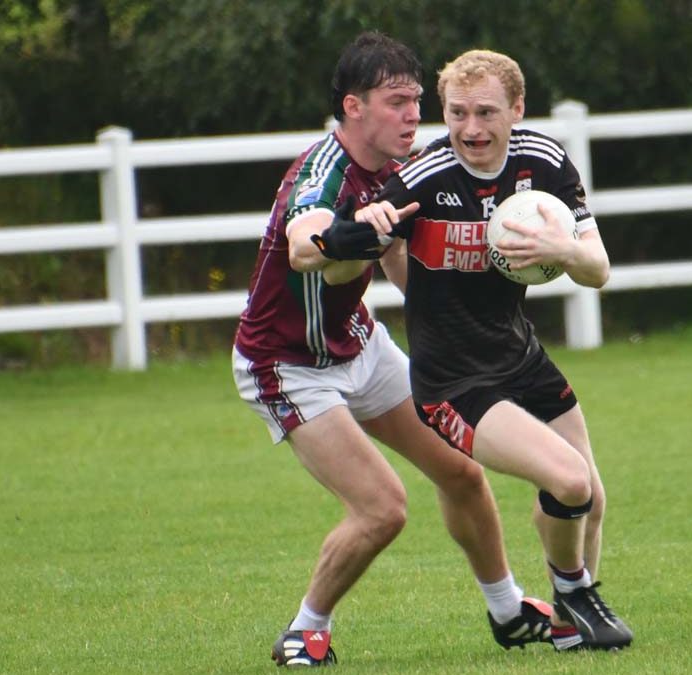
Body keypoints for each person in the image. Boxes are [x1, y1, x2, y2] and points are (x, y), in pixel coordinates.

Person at [232, 33, 553, 668]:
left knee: (462, 472)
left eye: (415, 102)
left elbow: (404, 264)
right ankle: (305, 630)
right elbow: (304, 241)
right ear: (354, 107)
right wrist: (342, 237)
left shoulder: (401, 172)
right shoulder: (322, 173)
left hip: (361, 345)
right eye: (396, 102)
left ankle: (508, 611)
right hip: (286, 365)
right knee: (382, 508)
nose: (413, 116)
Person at [350, 49, 633, 651]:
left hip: (519, 356)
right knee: (569, 480)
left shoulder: (544, 163)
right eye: (457, 113)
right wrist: (369, 225)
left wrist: (563, 249)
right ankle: (574, 592)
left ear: (517, 109)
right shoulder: (424, 177)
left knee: (590, 498)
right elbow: (371, 244)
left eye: (485, 112)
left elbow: (598, 270)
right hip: (454, 381)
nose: (471, 128)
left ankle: (568, 630)